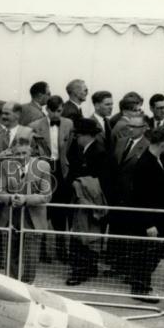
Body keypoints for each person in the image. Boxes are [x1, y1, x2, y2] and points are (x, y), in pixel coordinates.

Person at [126, 126, 164, 300]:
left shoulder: (157, 159)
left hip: (159, 215)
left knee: (154, 253)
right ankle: (140, 289)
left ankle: (140, 284)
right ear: (163, 144)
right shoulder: (146, 163)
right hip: (150, 218)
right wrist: (148, 224)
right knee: (148, 255)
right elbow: (140, 196)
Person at [0, 135, 52, 283]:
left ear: (30, 151)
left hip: (33, 218)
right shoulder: (6, 166)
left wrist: (26, 199)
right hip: (11, 216)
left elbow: (46, 195)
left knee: (31, 256)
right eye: (17, 153)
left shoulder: (43, 166)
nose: (20, 157)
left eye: (24, 153)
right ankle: (11, 283)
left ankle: (27, 284)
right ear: (12, 153)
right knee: (10, 253)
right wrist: (10, 198)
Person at [64, 119, 109, 285]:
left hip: (87, 201)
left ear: (86, 135)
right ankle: (88, 267)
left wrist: (78, 185)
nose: (76, 138)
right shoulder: (84, 149)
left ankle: (80, 271)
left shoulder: (98, 153)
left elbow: (100, 180)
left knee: (83, 235)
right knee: (85, 234)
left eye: (78, 135)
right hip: (82, 199)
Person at [29, 95, 73, 258]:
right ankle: (41, 252)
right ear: (47, 110)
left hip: (61, 171)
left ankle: (61, 251)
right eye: (52, 111)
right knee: (41, 209)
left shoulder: (69, 124)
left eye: (59, 111)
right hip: (43, 169)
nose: (56, 115)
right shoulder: (34, 126)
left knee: (60, 212)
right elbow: (31, 149)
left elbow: (69, 147)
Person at [107, 115, 150, 278]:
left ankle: (129, 270)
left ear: (144, 128)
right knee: (116, 232)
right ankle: (116, 265)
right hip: (117, 196)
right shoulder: (120, 142)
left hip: (133, 197)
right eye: (129, 126)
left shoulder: (147, 146)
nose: (130, 129)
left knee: (131, 234)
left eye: (135, 127)